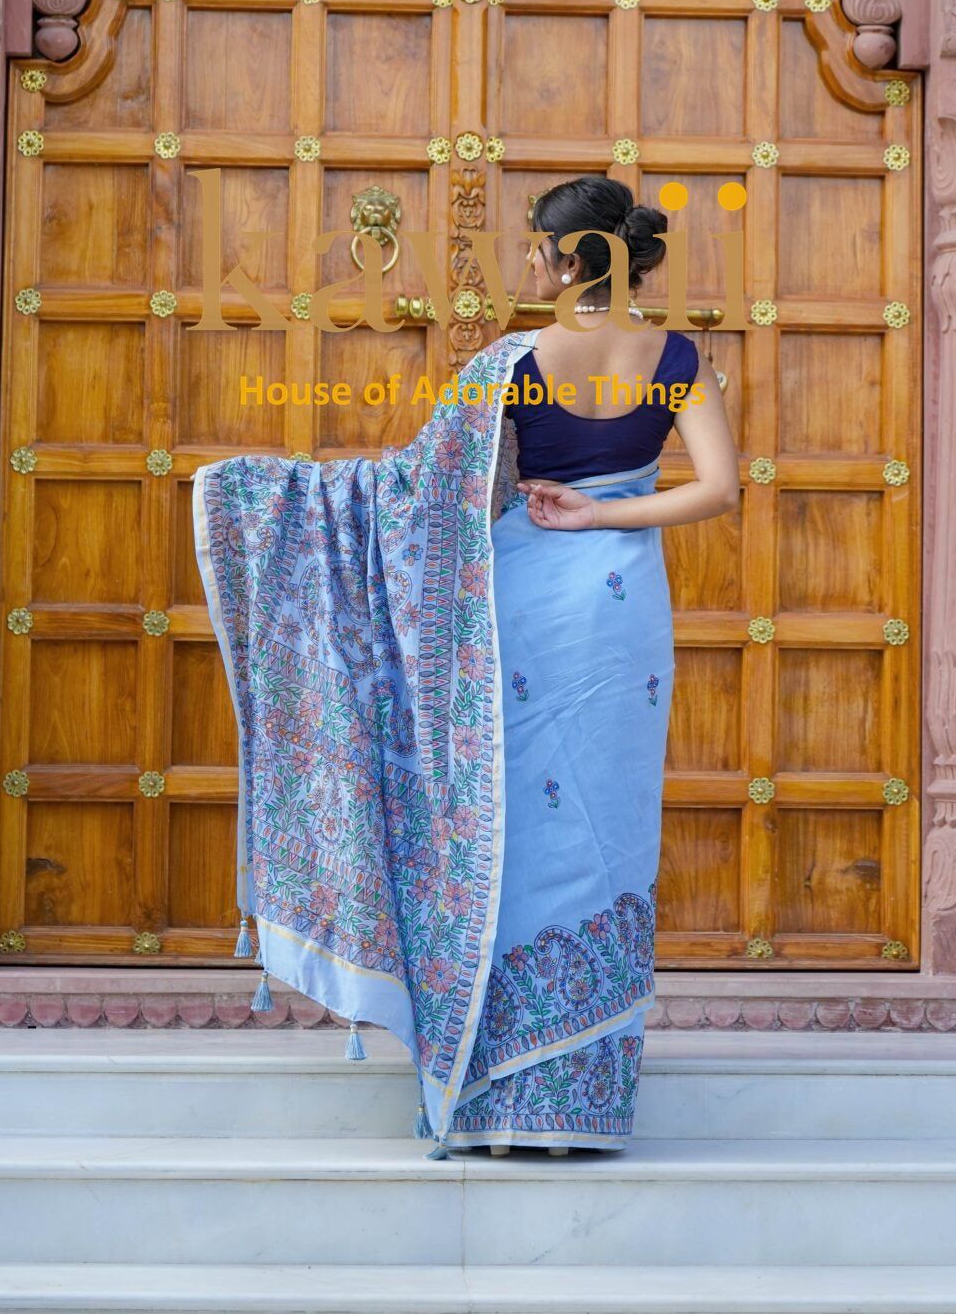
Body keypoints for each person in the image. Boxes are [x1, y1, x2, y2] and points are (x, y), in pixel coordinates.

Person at [193, 175, 740, 1158]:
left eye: (536, 249)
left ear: (566, 258)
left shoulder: (511, 365)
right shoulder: (675, 356)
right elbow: (719, 488)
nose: (529, 264)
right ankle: (581, 1110)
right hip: (623, 612)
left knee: (517, 832)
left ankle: (496, 1098)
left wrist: (261, 498)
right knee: (607, 834)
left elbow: (413, 495)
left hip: (526, 606)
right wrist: (609, 511)